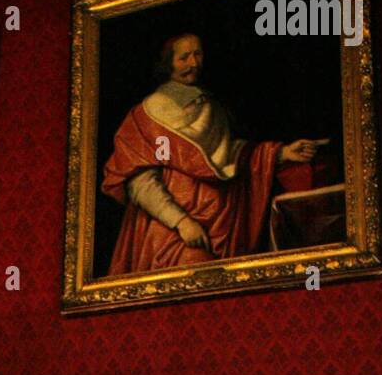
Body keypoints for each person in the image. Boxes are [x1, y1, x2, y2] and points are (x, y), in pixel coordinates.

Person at [101, 33, 326, 272]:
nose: (193, 63)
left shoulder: (212, 108)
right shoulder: (145, 115)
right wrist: (182, 222)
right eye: (184, 57)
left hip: (222, 226)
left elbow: (229, 155)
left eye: (197, 54)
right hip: (170, 230)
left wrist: (282, 153)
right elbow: (141, 183)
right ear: (168, 63)